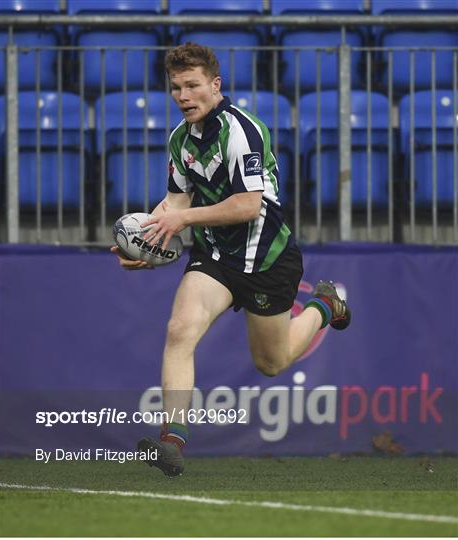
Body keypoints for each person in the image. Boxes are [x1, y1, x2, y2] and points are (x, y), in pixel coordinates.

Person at [111, 42, 351, 477]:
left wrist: (181, 218)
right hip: (217, 256)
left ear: (215, 85)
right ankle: (172, 442)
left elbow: (246, 205)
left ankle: (324, 305)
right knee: (180, 329)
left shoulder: (242, 131)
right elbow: (174, 202)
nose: (183, 95)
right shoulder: (180, 140)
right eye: (176, 87)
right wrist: (145, 240)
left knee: (271, 362)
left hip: (268, 259)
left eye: (192, 85)